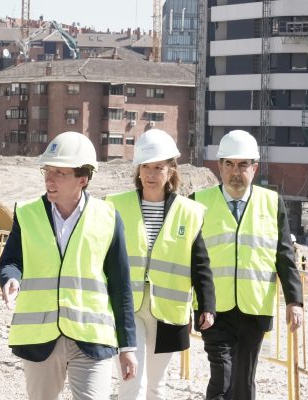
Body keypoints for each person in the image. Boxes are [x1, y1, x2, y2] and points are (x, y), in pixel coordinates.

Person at [0, 131, 138, 399]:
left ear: (82, 179)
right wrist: (11, 278)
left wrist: (127, 346)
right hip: (40, 337)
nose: (49, 179)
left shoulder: (108, 218)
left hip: (92, 337)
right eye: (47, 170)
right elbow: (11, 261)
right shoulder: (27, 213)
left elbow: (121, 286)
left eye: (60, 173)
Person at [192, 130, 303, 400]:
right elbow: (187, 258)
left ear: (254, 168)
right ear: (219, 166)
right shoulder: (197, 202)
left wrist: (294, 301)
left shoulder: (271, 202)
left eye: (243, 165)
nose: (235, 172)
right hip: (213, 308)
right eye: (229, 164)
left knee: (244, 380)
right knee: (222, 376)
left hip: (255, 306)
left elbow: (284, 254)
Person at [105, 129, 215, 399]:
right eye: (145, 167)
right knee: (132, 381)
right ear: (138, 170)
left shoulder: (189, 212)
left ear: (171, 170)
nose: (151, 174)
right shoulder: (115, 206)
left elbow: (200, 263)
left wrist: (206, 305)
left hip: (167, 310)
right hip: (126, 305)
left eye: (158, 168)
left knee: (156, 385)